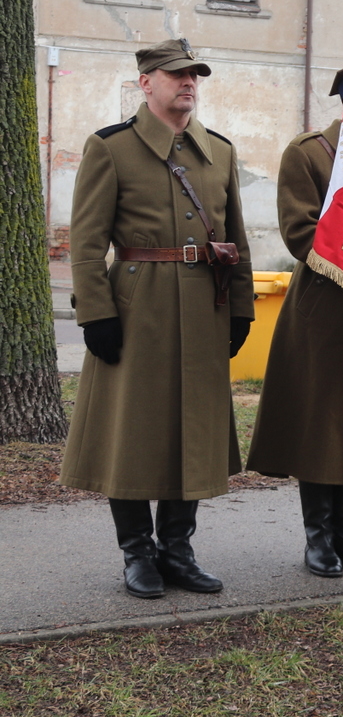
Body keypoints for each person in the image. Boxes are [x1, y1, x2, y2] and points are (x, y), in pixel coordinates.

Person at [60, 38, 253, 599]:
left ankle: (178, 550)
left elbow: (235, 239)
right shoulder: (110, 148)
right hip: (135, 309)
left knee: (189, 431)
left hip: (203, 306)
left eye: (194, 75)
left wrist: (239, 309)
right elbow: (88, 244)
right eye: (175, 75)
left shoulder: (219, 151)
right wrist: (96, 313)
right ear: (146, 82)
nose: (187, 83)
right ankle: (136, 554)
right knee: (133, 433)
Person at [246, 66, 343, 577]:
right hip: (325, 309)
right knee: (321, 425)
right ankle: (318, 536)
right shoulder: (309, 154)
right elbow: (300, 232)